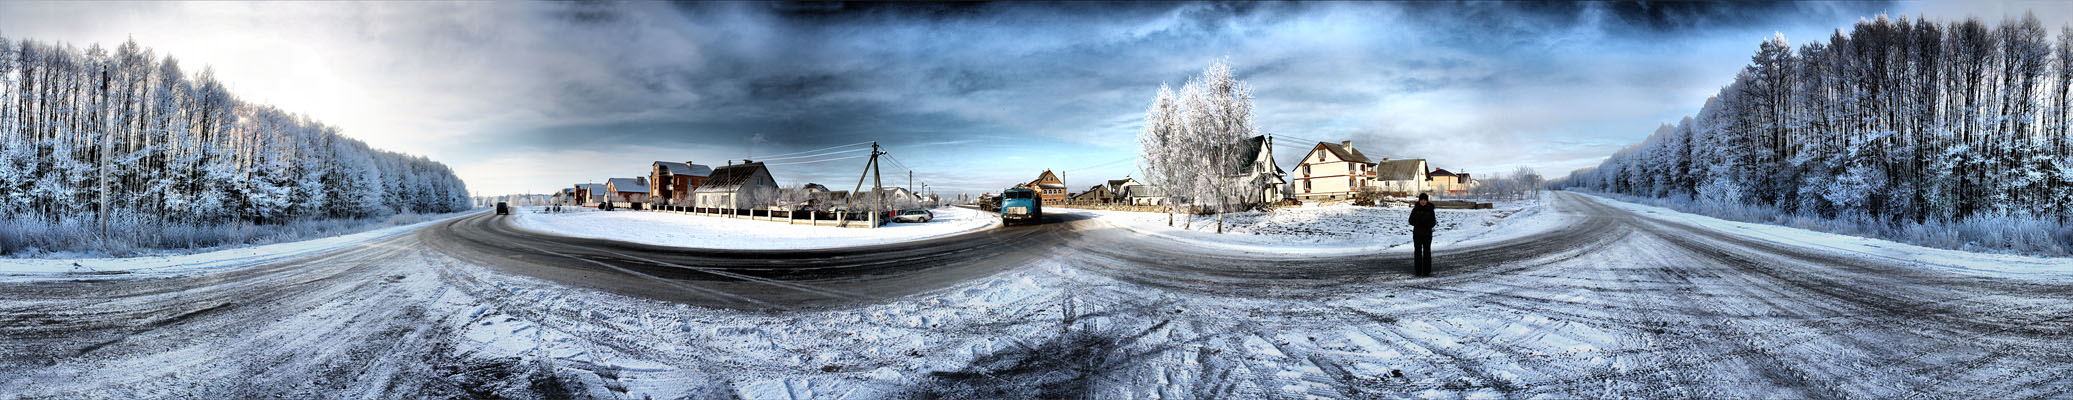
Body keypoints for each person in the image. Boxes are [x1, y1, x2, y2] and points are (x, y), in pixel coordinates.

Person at [1409, 193, 1437, 276]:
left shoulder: (1430, 210)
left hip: (1427, 234)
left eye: (1424, 200)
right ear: (1419, 200)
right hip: (1417, 234)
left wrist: (1426, 225)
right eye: (1421, 200)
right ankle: (1418, 271)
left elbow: (1433, 222)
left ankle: (1426, 271)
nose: (1423, 202)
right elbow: (1410, 220)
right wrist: (1418, 223)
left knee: (1427, 252)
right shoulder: (1415, 209)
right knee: (1417, 252)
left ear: (1427, 201)